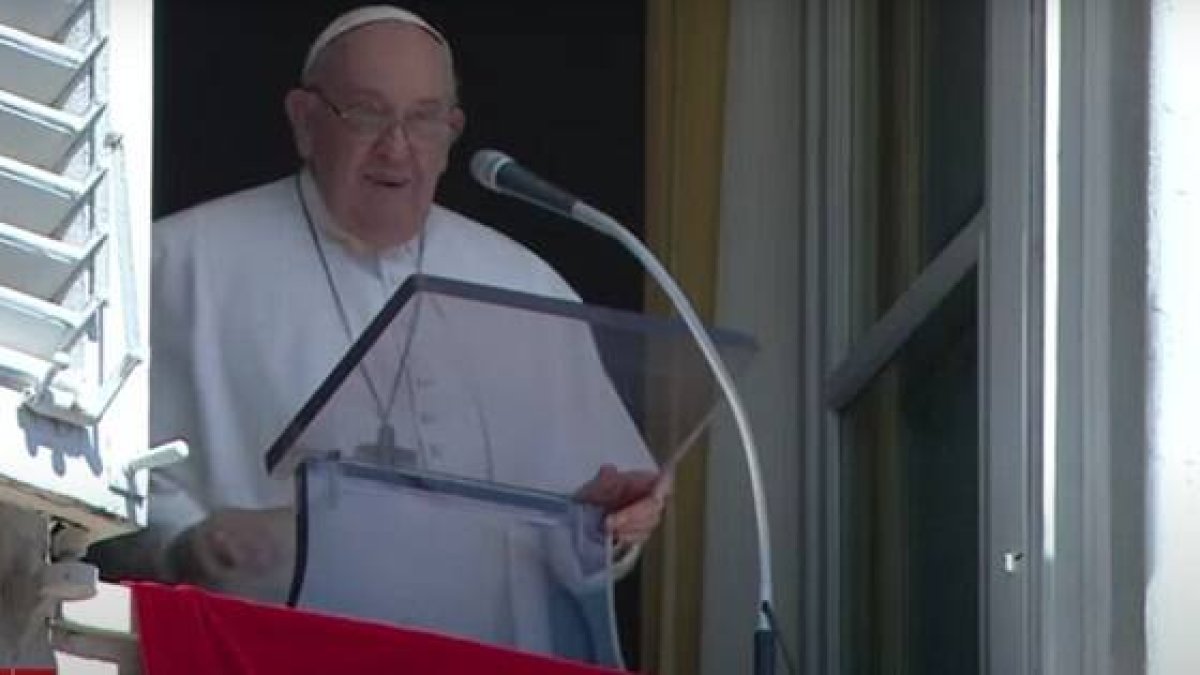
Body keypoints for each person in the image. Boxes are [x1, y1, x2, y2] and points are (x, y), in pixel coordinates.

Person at [91, 4, 666, 652]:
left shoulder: (526, 285)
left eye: (423, 119)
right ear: (305, 122)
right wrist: (184, 546)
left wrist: (604, 523)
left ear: (451, 133)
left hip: (473, 657)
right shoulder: (173, 267)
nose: (397, 146)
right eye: (366, 113)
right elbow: (94, 486)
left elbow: (584, 539)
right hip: (254, 650)